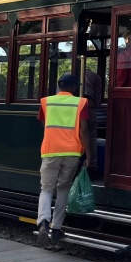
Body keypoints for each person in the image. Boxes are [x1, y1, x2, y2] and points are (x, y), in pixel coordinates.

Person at [36, 72, 93, 248]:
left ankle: (43, 223)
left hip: (50, 152)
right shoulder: (80, 103)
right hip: (72, 153)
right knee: (63, 190)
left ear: (59, 86)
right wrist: (89, 155)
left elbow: (43, 122)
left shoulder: (47, 102)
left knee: (46, 189)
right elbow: (84, 130)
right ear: (74, 87)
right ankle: (57, 228)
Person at [81, 66, 103, 177]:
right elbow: (98, 99)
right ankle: (92, 166)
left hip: (68, 108)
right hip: (88, 106)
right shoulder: (95, 76)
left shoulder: (66, 75)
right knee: (91, 137)